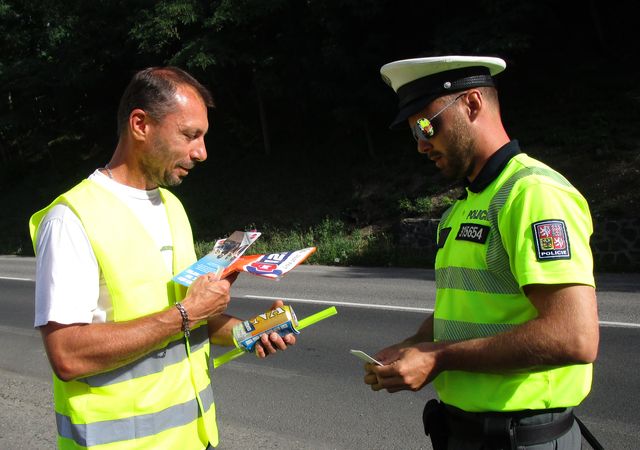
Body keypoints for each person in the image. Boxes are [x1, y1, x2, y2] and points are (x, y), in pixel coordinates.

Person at [29, 66, 295, 450]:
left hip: (193, 440)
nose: (202, 153)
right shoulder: (72, 219)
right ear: (141, 124)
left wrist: (246, 331)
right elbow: (68, 355)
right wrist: (186, 313)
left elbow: (181, 320)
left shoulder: (172, 206)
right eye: (190, 135)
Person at [364, 55, 600, 449]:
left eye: (426, 124)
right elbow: (463, 311)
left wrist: (438, 358)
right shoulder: (460, 209)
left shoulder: (533, 194)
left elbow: (573, 336)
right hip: (465, 433)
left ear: (471, 104)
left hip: (522, 437)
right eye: (413, 132)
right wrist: (413, 346)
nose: (422, 144)